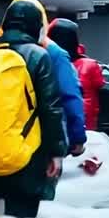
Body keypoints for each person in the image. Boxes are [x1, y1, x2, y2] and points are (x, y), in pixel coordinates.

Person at [0, 0, 67, 218]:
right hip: (27, 157)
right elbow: (51, 109)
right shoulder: (38, 56)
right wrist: (56, 153)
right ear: (36, 26)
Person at [47, 19, 101, 136]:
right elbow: (99, 83)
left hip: (56, 121)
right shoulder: (90, 64)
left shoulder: (47, 60)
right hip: (86, 119)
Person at [44, 22, 86, 158]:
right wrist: (78, 138)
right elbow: (71, 98)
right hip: (53, 136)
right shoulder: (59, 57)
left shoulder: (2, 49)